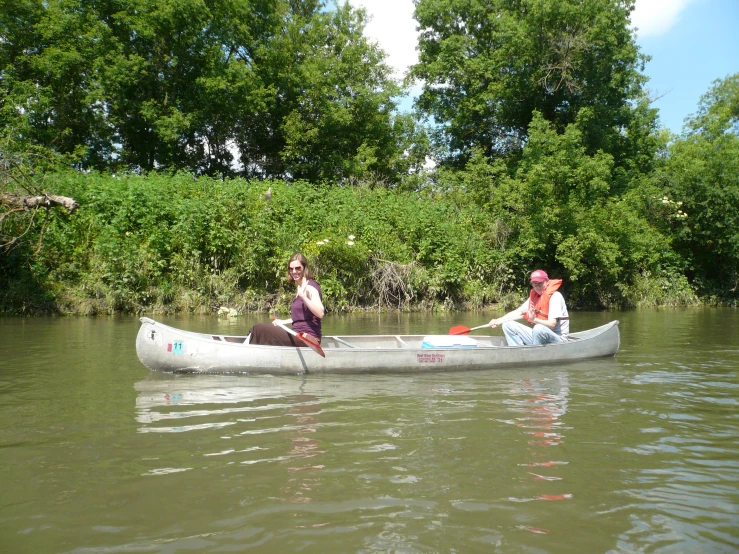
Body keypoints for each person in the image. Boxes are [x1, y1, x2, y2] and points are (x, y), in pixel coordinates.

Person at [247, 253, 325, 346]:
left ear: (304, 268)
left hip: (309, 339)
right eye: (291, 269)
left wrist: (303, 297)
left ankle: (247, 353)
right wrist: (282, 322)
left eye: (298, 268)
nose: (294, 271)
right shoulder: (299, 288)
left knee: (258, 329)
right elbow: (300, 318)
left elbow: (320, 313)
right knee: (261, 331)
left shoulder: (310, 288)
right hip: (296, 334)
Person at [488, 269, 569, 346]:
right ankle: (518, 352)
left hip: (558, 340)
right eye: (535, 284)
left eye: (540, 283)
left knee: (538, 328)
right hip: (540, 338)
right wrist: (499, 320)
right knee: (507, 324)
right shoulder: (535, 297)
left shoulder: (555, 297)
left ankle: (534, 354)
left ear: (547, 281)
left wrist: (534, 319)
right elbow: (518, 312)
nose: (537, 287)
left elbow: (552, 324)